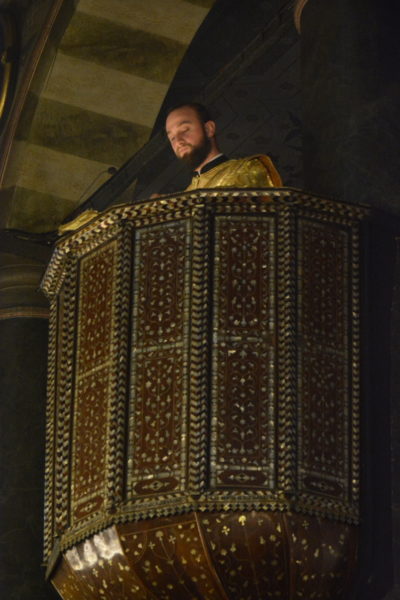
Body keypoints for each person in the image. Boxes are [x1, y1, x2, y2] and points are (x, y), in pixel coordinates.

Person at [165, 102, 282, 190]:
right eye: (172, 138)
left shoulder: (248, 169)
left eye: (185, 130)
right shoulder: (186, 194)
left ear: (208, 129)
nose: (178, 141)